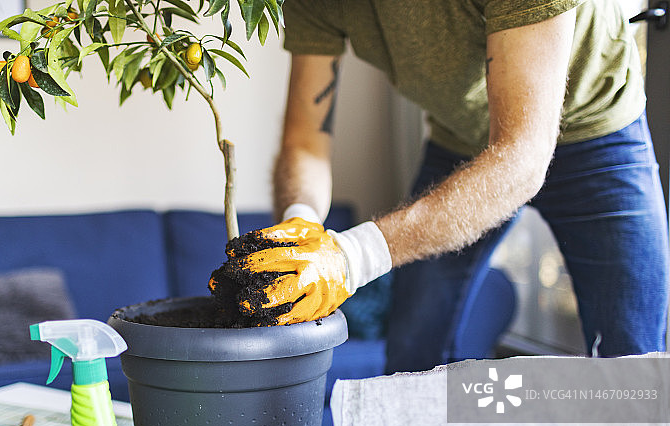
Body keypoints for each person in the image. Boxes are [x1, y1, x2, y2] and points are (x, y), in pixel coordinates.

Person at [222, 0, 670, 369]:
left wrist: (352, 256)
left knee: (632, 363)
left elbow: (521, 160)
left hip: (597, 133)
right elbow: (305, 140)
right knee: (414, 350)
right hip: (461, 140)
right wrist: (301, 222)